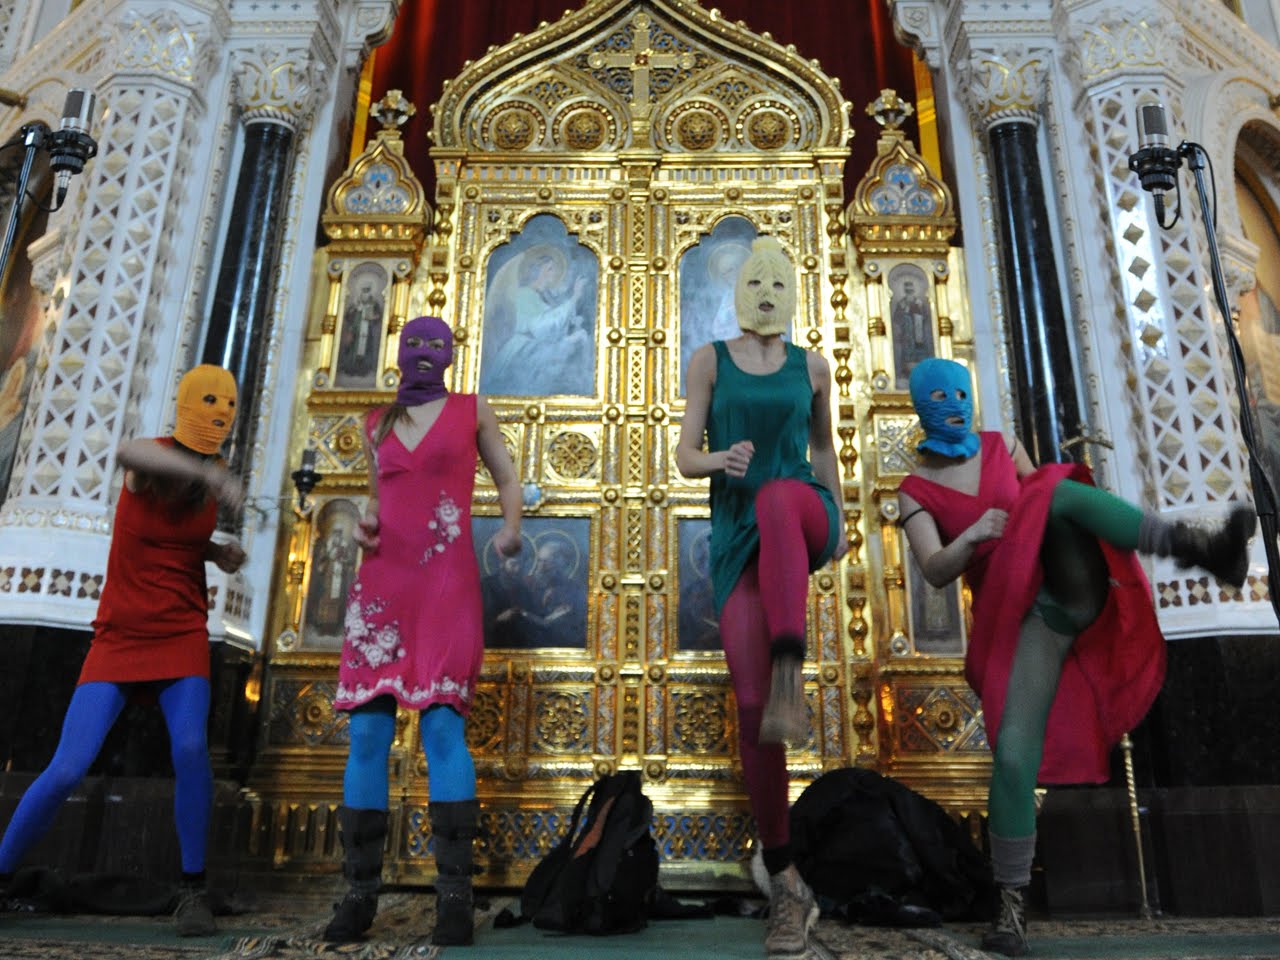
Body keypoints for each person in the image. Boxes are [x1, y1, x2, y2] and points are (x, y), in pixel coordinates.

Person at [896, 357, 1255, 956]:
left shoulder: (1000, 442)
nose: (954, 401)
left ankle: (1194, 546)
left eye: (962, 389)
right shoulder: (913, 490)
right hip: (1025, 620)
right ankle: (1010, 909)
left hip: (1063, 577)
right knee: (1012, 755)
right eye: (940, 394)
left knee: (1054, 491)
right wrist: (974, 535)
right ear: (919, 403)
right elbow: (934, 570)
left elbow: (1044, 505)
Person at [0, 364, 246, 937]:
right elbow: (129, 453)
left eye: (229, 404)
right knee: (67, 766)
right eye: (209, 401)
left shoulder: (214, 470)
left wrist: (214, 552)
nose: (221, 412)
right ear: (187, 402)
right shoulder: (152, 461)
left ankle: (192, 889)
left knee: (189, 748)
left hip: (182, 627)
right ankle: (3, 873)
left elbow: (172, 538)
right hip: (121, 632)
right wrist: (210, 477)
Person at [324, 315, 522, 946]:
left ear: (451, 353)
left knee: (441, 726)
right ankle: (358, 898)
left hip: (445, 582)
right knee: (367, 734)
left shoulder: (471, 410)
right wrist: (364, 524)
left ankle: (455, 902)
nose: (425, 354)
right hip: (385, 583)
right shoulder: (375, 421)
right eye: (414, 344)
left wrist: (511, 528)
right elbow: (378, 499)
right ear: (400, 352)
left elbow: (508, 477)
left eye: (437, 345)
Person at [675, 235, 847, 959]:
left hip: (801, 511)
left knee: (782, 494)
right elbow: (684, 457)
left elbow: (825, 450)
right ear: (740, 291)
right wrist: (720, 457)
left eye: (780, 280)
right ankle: (783, 875)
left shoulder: (813, 365)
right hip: (738, 538)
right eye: (757, 281)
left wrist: (841, 521)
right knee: (752, 711)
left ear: (793, 288)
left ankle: (790, 664)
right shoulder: (710, 359)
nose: (769, 292)